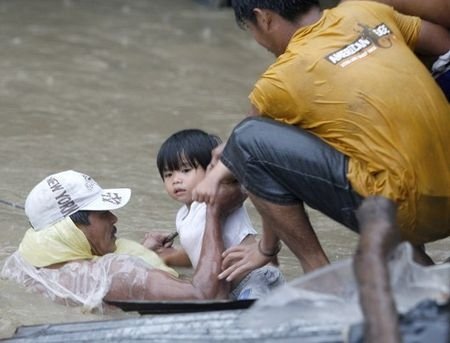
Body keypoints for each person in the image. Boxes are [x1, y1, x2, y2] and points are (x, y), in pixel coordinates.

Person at [192, 0, 450, 281]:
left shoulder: (280, 79)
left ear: (263, 18)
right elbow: (443, 46)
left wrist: (265, 247)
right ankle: (416, 263)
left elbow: (246, 147)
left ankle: (318, 272)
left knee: (247, 138)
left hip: (409, 212)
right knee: (374, 142)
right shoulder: (365, 10)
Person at [1, 170, 245, 311]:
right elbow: (208, 297)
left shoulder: (20, 264)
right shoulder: (116, 274)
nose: (114, 218)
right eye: (103, 213)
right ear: (72, 228)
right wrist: (213, 212)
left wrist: (143, 253)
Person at [143, 129, 284, 300]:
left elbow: (243, 173)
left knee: (252, 317)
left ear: (212, 171)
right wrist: (161, 255)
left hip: (255, 278)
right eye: (168, 174)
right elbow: (197, 254)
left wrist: (221, 169)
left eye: (186, 170)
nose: (176, 180)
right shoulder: (182, 216)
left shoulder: (221, 194)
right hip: (229, 288)